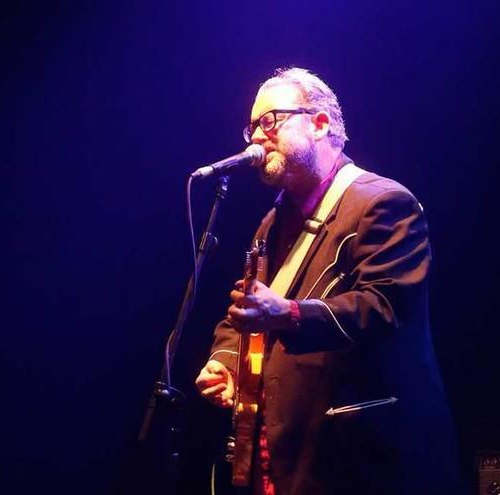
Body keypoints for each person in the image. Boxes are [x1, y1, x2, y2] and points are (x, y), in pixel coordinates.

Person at [194, 68, 462, 494]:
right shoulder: (272, 222)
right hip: (282, 457)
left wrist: (289, 315)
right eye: (253, 127)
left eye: (271, 120)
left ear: (320, 124)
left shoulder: (383, 202)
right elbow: (246, 307)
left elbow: (386, 308)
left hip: (353, 462)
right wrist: (226, 360)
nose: (258, 137)